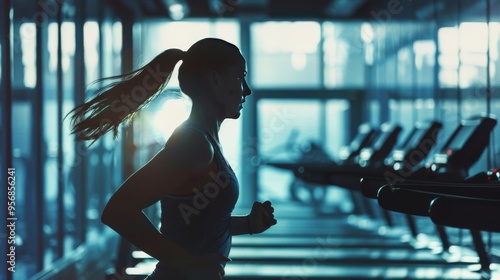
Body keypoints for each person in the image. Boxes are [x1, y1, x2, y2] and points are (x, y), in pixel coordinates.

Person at [68, 38, 277, 279]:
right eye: (241, 77)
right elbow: (118, 211)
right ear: (214, 80)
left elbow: (197, 226)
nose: (247, 89)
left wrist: (248, 224)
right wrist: (188, 265)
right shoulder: (194, 143)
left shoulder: (205, 141)